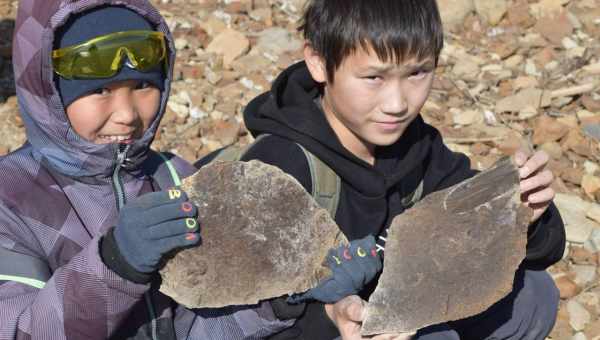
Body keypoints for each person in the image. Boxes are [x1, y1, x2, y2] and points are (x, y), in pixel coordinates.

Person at [238, 0, 566, 339]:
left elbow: (526, 250)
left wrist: (524, 219)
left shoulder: (416, 146)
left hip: (394, 308)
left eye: (417, 73)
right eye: (374, 77)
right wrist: (330, 318)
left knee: (533, 296)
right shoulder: (276, 169)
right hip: (316, 328)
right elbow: (238, 318)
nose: (397, 104)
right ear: (319, 62)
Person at [0, 1, 316, 339]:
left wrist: (282, 300)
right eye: (99, 90)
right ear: (45, 91)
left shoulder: (175, 177)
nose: (127, 114)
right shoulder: (11, 199)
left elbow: (199, 326)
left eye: (142, 87)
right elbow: (21, 330)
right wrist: (115, 265)